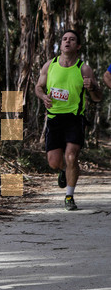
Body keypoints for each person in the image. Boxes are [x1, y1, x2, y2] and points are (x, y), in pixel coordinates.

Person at [35, 29, 102, 211]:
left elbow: (97, 97)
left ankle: (69, 196)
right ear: (61, 44)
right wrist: (43, 97)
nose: (67, 42)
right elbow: (38, 87)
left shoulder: (84, 69)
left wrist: (93, 87)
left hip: (75, 119)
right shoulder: (50, 65)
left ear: (77, 46)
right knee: (54, 162)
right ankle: (65, 170)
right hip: (54, 118)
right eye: (64, 39)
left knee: (72, 156)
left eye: (72, 40)